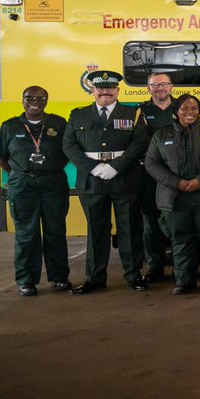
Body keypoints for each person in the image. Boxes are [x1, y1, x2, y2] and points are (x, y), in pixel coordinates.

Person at [63, 70, 150, 294]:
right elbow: (69, 146)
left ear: (117, 91)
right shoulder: (78, 115)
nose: (105, 92)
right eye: (100, 88)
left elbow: (140, 143)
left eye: (110, 88)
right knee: (96, 230)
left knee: (129, 229)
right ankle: (94, 278)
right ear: (92, 90)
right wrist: (94, 167)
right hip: (91, 179)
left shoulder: (133, 114)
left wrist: (115, 167)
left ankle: (134, 275)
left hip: (124, 178)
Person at [144, 94, 200, 294]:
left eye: (194, 108)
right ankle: (184, 281)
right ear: (176, 111)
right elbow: (151, 163)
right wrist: (177, 182)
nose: (189, 112)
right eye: (184, 108)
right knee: (181, 240)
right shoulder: (161, 135)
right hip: (174, 199)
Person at [0, 86, 71, 295]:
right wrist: (20, 173)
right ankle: (26, 281)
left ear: (47, 101)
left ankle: (59, 277)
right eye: (29, 97)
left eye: (40, 98)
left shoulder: (58, 123)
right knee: (26, 234)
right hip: (23, 186)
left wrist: (49, 168)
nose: (34, 101)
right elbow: (1, 156)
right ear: (22, 101)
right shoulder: (10, 126)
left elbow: (67, 151)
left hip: (53, 183)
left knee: (55, 232)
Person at [136, 72, 177, 283]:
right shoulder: (140, 111)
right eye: (155, 84)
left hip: (177, 174)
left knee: (178, 220)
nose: (160, 88)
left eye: (164, 84)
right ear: (148, 88)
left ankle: (182, 266)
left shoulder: (182, 107)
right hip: (149, 174)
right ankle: (155, 267)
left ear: (171, 87)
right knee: (150, 221)